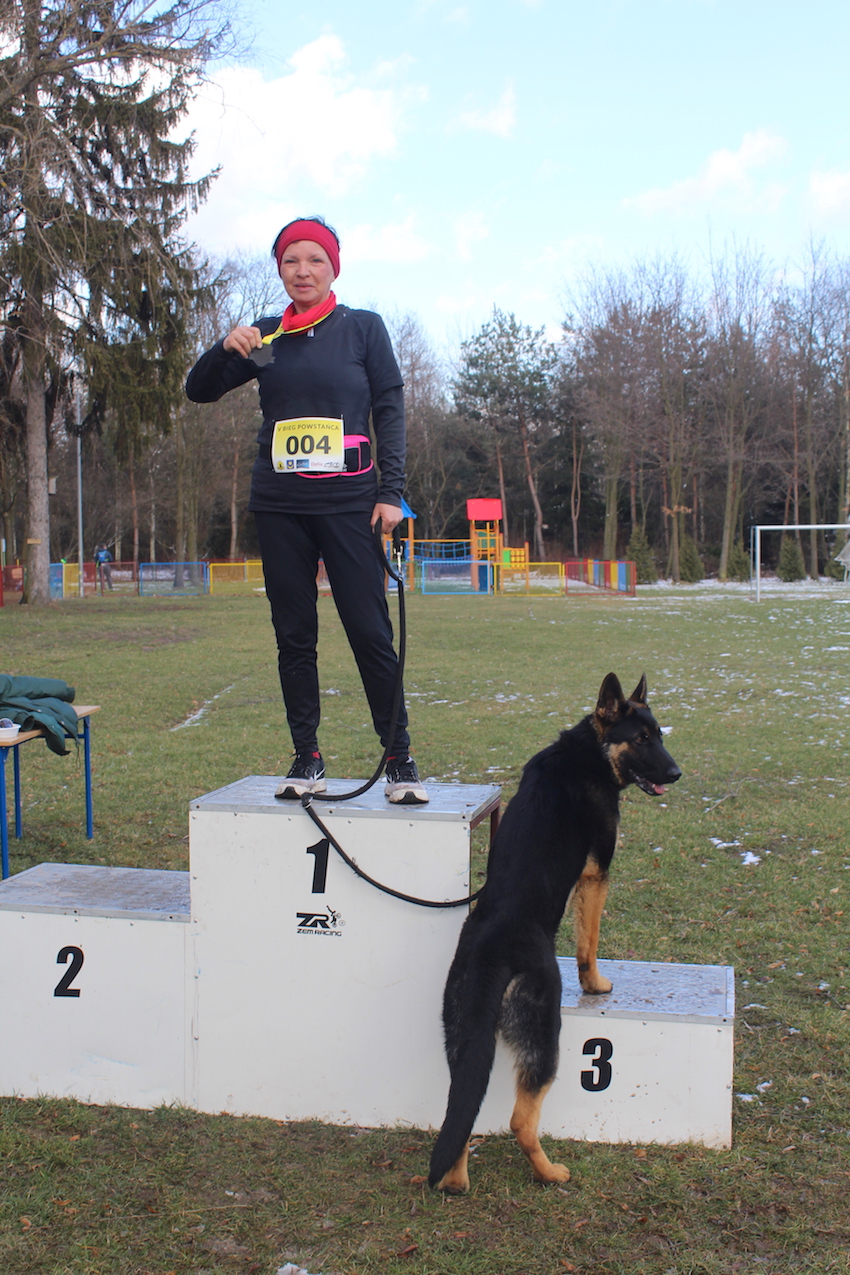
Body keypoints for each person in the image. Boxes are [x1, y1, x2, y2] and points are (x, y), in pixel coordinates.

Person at [185, 216, 427, 804]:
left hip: (351, 503)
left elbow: (390, 409)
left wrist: (391, 492)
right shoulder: (266, 335)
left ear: (333, 268)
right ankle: (307, 756)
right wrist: (222, 348)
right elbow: (199, 389)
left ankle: (399, 760)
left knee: (370, 631)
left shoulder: (364, 328)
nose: (303, 271)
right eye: (291, 260)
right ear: (280, 270)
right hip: (280, 505)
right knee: (294, 635)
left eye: (315, 260)